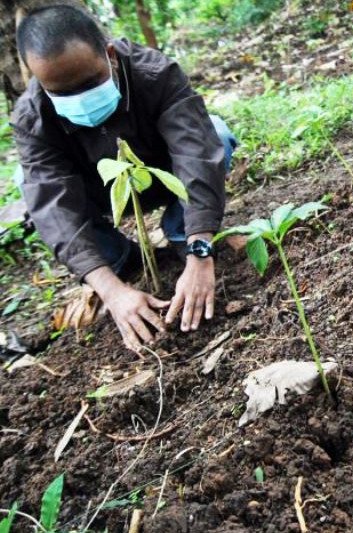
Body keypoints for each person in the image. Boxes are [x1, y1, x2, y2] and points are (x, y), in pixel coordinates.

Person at [10, 5, 236, 351]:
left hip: (163, 176)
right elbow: (56, 209)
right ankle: (121, 262)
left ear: (110, 55)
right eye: (61, 92)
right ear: (40, 82)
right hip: (99, 196)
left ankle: (181, 232)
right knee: (32, 188)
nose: (79, 100)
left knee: (216, 134)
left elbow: (195, 154)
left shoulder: (154, 73)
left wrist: (200, 251)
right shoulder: (32, 118)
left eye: (88, 83)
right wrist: (111, 291)